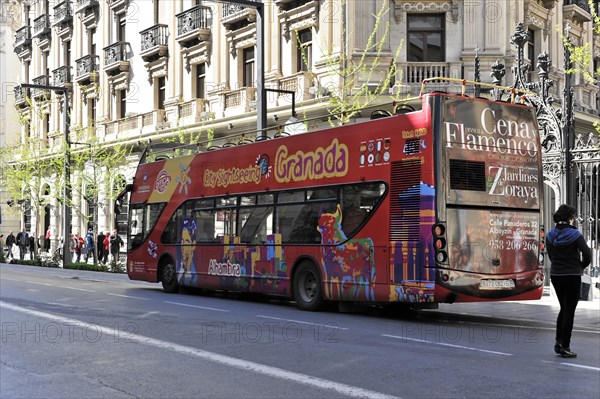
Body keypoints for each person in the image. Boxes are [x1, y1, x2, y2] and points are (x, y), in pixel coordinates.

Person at [546, 204, 592, 359]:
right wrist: (580, 266)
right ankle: (565, 347)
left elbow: (551, 256)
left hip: (556, 275)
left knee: (563, 308)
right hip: (572, 275)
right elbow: (587, 254)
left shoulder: (550, 235)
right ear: (570, 218)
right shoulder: (575, 235)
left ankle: (558, 342)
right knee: (569, 311)